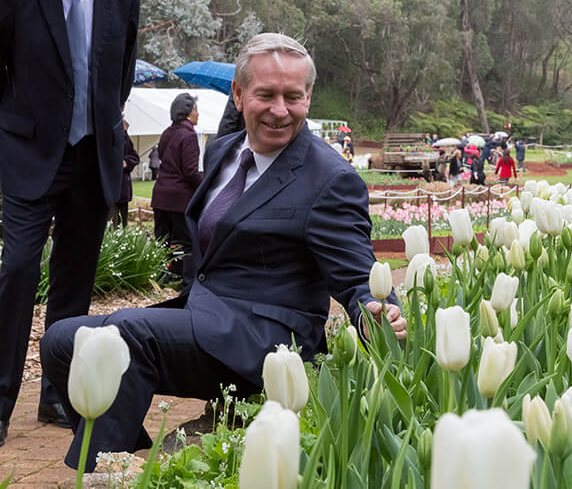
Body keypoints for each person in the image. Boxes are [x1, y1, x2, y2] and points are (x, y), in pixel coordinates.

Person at [40, 34, 407, 471]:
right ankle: (126, 450)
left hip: (264, 342)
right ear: (238, 93)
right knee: (61, 340)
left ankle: (95, 471)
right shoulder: (224, 151)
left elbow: (356, 274)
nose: (280, 110)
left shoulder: (329, 179)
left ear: (308, 97)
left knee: (125, 332)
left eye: (293, 97)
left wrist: (376, 309)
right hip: (205, 315)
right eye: (265, 95)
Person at [0, 0, 139, 450]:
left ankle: (58, 396)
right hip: (31, 159)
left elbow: (119, 81)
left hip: (91, 161)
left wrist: (104, 137)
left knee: (73, 286)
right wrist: (21, 126)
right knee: (17, 272)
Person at [150, 94, 204, 282]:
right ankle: (188, 282)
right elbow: (190, 171)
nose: (198, 114)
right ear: (188, 113)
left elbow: (165, 159)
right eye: (196, 110)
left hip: (160, 194)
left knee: (163, 241)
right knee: (188, 243)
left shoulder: (167, 132)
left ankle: (163, 277)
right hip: (179, 199)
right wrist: (204, 186)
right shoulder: (188, 135)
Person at [112, 120, 139, 227]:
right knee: (111, 222)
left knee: (124, 223)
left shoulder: (125, 138)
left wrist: (126, 162)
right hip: (111, 187)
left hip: (123, 186)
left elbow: (134, 157)